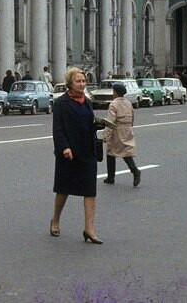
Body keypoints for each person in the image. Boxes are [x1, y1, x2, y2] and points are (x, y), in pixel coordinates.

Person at [50, 67, 102, 244]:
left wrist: (99, 124)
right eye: (78, 81)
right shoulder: (61, 103)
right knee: (63, 190)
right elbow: (58, 129)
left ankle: (89, 229)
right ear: (70, 83)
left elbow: (88, 123)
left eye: (84, 81)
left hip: (87, 152)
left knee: (90, 191)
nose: (82, 84)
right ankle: (55, 220)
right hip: (69, 154)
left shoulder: (86, 101)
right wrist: (64, 147)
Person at [102, 82, 141, 187]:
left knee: (111, 153)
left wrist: (105, 136)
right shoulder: (128, 103)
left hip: (117, 130)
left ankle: (111, 177)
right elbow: (132, 117)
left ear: (115, 92)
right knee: (126, 151)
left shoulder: (114, 103)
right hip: (127, 129)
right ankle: (134, 170)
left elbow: (111, 121)